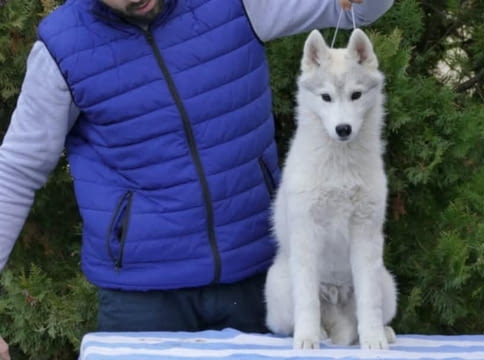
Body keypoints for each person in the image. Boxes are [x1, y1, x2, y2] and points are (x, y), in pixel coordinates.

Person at [0, 0, 393, 357]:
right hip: (143, 301)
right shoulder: (61, 50)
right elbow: (16, 170)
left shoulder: (241, 4)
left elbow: (360, 11)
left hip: (252, 280)